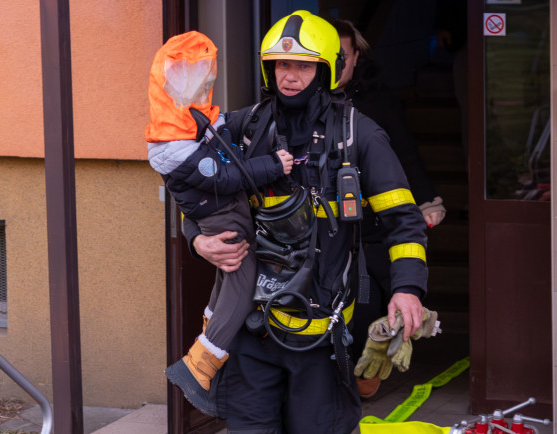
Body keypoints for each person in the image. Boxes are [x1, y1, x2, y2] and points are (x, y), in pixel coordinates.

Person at [182, 11, 429, 433]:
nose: (289, 75)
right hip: (251, 329)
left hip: (321, 337)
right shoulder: (242, 128)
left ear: (326, 70)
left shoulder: (360, 136)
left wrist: (407, 289)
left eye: (302, 65)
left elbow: (404, 221)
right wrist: (196, 241)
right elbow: (194, 194)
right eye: (282, 64)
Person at [144, 31, 295, 415]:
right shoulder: (174, 141)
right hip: (221, 219)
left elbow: (225, 126)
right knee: (241, 282)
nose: (204, 81)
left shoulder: (190, 119)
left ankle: (203, 356)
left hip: (223, 216)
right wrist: (274, 164)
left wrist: (264, 109)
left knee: (229, 281)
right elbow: (226, 177)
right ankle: (201, 366)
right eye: (195, 74)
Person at [329, 17, 446, 398]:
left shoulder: (377, 104)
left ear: (356, 57)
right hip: (321, 235)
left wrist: (426, 200)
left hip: (373, 232)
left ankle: (361, 381)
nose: (334, 65)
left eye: (341, 56)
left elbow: (406, 154)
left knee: (368, 312)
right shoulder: (292, 110)